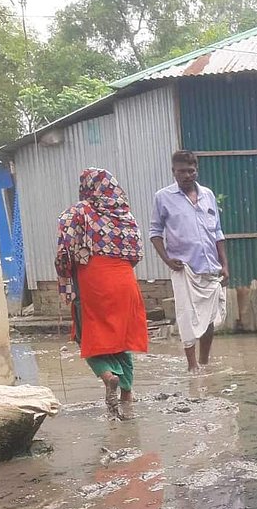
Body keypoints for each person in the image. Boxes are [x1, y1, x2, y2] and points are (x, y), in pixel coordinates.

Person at [56, 168, 149, 419]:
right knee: (122, 338)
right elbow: (137, 254)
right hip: (125, 280)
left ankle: (108, 376)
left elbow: (64, 250)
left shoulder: (78, 211)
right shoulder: (126, 216)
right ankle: (127, 397)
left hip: (94, 280)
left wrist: (65, 275)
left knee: (87, 336)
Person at [150, 150, 229, 372]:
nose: (186, 175)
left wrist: (225, 264)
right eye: (181, 171)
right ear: (173, 172)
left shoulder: (208, 195)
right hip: (184, 268)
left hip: (210, 267)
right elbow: (155, 232)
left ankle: (204, 362)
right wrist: (167, 259)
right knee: (186, 316)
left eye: (190, 171)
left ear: (197, 170)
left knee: (210, 318)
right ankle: (192, 366)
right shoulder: (163, 197)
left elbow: (218, 232)